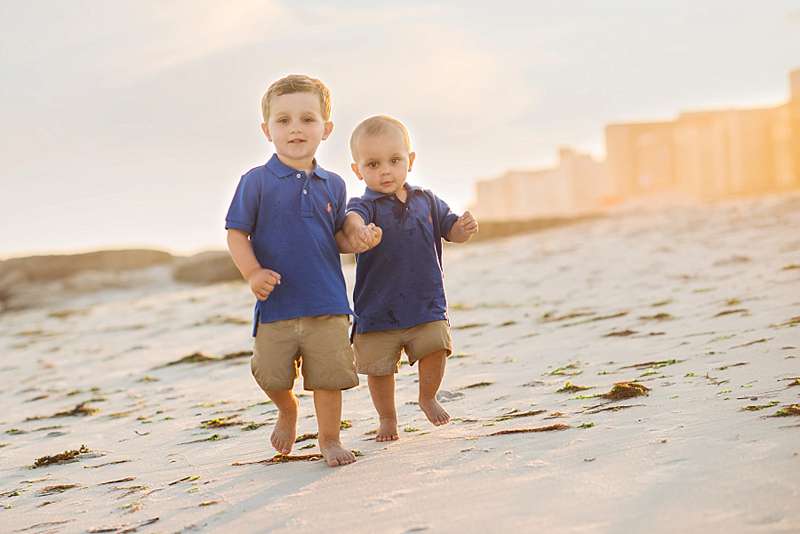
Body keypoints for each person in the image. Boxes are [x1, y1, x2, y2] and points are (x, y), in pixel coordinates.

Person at [225, 74, 367, 466]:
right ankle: (287, 410)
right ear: (267, 131)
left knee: (328, 376)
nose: (295, 128)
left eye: (307, 119)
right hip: (277, 305)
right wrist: (253, 273)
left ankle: (329, 439)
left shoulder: (334, 184)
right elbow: (236, 233)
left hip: (326, 300)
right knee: (270, 374)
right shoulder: (255, 182)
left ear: (326, 129)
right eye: (283, 120)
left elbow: (336, 234)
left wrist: (354, 238)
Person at [343, 115, 479, 442]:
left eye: (394, 160)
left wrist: (461, 229)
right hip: (377, 308)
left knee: (436, 347)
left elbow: (449, 229)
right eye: (373, 164)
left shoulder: (426, 200)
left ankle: (427, 396)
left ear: (411, 160)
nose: (385, 170)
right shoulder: (363, 205)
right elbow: (351, 220)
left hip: (425, 300)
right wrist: (360, 232)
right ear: (358, 170)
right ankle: (387, 418)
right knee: (379, 368)